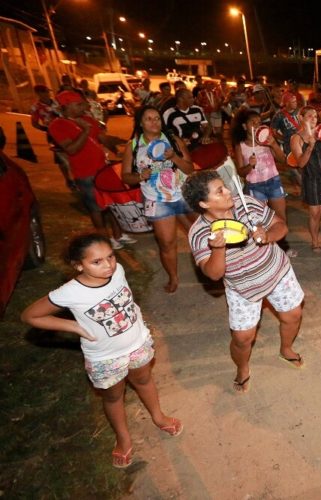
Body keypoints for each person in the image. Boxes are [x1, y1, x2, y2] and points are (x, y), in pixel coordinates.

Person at [21, 233, 183, 468]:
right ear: (78, 265)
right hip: (105, 358)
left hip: (137, 344)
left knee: (145, 380)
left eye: (111, 257)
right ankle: (123, 437)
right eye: (96, 262)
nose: (108, 265)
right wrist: (72, 325)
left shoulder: (117, 272)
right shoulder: (70, 292)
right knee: (113, 396)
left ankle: (158, 416)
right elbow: (30, 315)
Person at [183, 170, 306, 393]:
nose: (229, 191)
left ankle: (286, 349)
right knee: (242, 338)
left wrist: (268, 236)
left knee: (293, 314)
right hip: (242, 288)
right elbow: (213, 274)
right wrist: (218, 249)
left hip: (276, 271)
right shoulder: (199, 233)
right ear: (203, 203)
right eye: (220, 191)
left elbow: (280, 226)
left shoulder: (247, 204)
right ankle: (242, 368)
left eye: (225, 186)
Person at [121, 106, 195, 293]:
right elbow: (125, 177)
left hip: (183, 194)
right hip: (157, 201)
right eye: (149, 119)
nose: (154, 122)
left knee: (202, 232)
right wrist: (140, 176)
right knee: (167, 243)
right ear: (140, 122)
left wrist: (174, 157)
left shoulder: (172, 140)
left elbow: (189, 168)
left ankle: (211, 266)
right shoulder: (133, 146)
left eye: (157, 118)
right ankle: (173, 277)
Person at [48, 90, 134, 249]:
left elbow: (102, 138)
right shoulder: (57, 125)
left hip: (103, 169)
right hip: (85, 174)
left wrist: (123, 146)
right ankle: (105, 240)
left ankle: (118, 236)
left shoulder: (87, 119)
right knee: (96, 209)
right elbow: (72, 149)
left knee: (112, 204)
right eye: (79, 104)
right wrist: (85, 131)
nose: (84, 107)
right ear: (66, 106)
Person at [232, 109, 296, 257]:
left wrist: (273, 145)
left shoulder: (266, 140)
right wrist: (250, 165)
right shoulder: (240, 146)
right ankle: (264, 250)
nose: (256, 125)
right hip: (255, 186)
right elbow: (241, 172)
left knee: (280, 218)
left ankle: (283, 248)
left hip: (273, 181)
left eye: (259, 122)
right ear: (244, 126)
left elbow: (282, 160)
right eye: (252, 123)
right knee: (259, 220)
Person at [290, 106, 321, 251]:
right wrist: (310, 146)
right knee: (316, 213)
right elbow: (300, 163)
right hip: (311, 179)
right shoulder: (296, 138)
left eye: (315, 116)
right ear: (301, 118)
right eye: (309, 116)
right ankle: (315, 241)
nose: (313, 119)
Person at [272, 92, 303, 195]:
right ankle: (301, 187)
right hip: (289, 145)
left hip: (301, 142)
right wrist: (284, 139)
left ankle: (302, 186)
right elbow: (273, 131)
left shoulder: (299, 111)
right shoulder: (279, 115)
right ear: (286, 103)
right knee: (293, 166)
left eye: (295, 101)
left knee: (302, 165)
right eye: (293, 101)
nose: (295, 103)